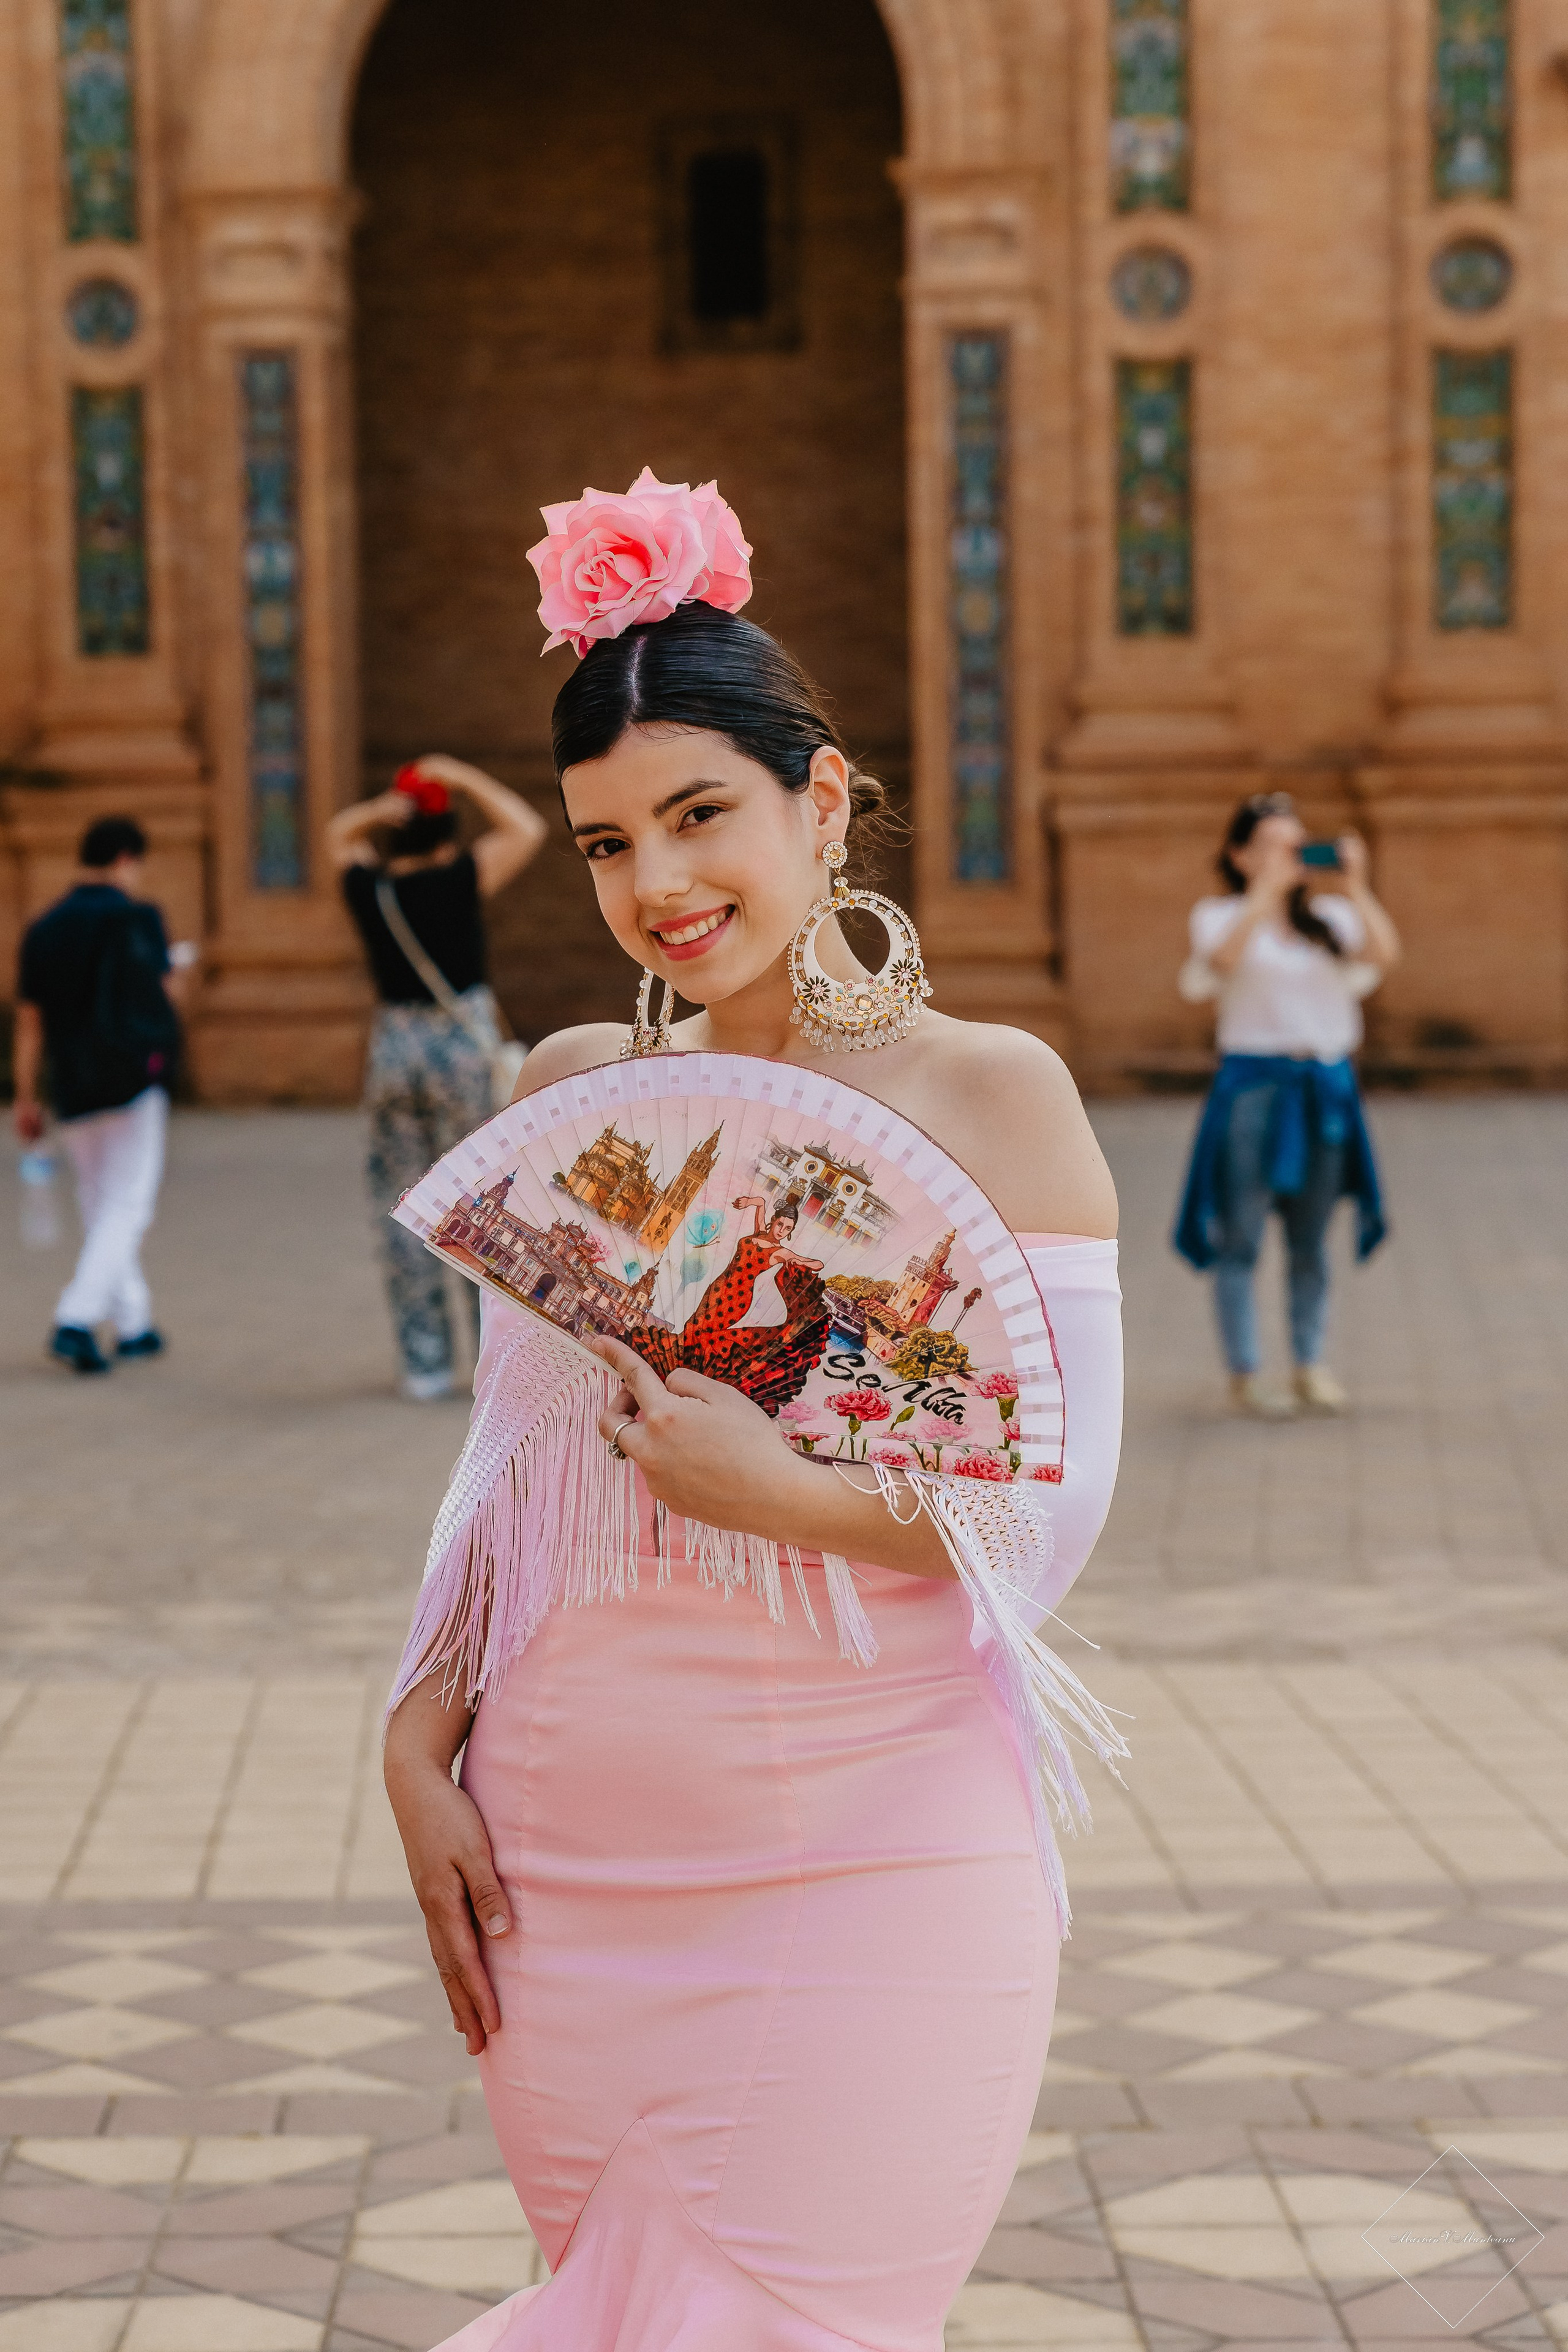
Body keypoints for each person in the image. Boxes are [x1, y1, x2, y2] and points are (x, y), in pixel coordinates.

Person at [381, 471, 1126, 2350]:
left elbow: (1047, 1507)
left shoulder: (994, 1095)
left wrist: (776, 1485)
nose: (658, 883)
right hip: (576, 1842)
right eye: (605, 842)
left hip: (884, 1827)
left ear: (823, 796)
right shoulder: (568, 1095)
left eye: (698, 813)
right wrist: (414, 1726)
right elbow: (508, 1475)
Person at [1174, 790, 1400, 1416]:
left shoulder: (1330, 918)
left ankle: (1310, 1363)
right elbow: (1219, 962)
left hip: (1323, 1089)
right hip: (1252, 1090)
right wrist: (1264, 895)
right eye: (1271, 846)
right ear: (1238, 854)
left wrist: (1356, 886)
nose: (1287, 857)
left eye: (1295, 845)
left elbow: (1383, 954)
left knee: (1310, 1239)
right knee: (1239, 1235)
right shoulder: (1219, 915)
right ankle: (1246, 1371)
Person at [328, 754, 546, 1401]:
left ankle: (423, 1363)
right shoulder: (460, 875)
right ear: (448, 831)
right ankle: (493, 1357)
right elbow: (526, 828)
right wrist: (463, 775)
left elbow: (338, 837)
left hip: (394, 1049)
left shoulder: (371, 888)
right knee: (481, 1205)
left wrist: (373, 811)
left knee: (402, 1204)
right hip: (460, 1051)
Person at [13, 815, 192, 1376]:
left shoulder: (44, 929)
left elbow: (30, 1024)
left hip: (72, 1084)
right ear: (125, 860)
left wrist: (25, 1094)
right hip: (133, 1080)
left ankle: (134, 1322)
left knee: (99, 1200)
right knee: (127, 1203)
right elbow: (166, 998)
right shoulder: (137, 919)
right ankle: (76, 1318)